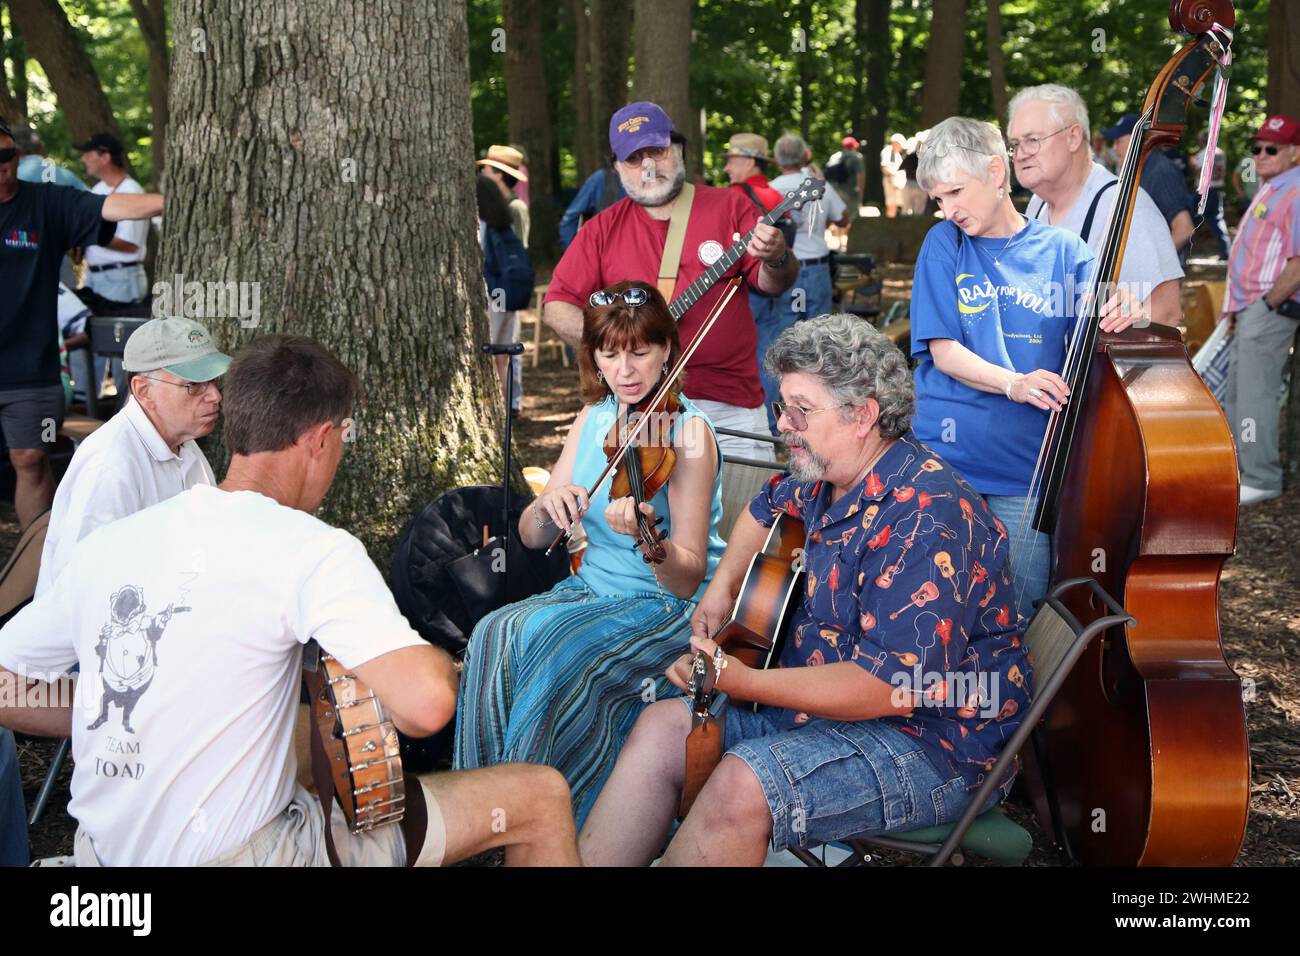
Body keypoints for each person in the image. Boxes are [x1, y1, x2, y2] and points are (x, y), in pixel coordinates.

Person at [0, 334, 580, 866]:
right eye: (343, 438)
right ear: (320, 438)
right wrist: (436, 658)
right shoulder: (313, 549)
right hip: (247, 856)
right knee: (539, 796)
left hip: (102, 858)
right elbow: (427, 706)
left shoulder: (111, 544)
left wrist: (133, 707)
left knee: (307, 738)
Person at [579, 315, 1033, 866]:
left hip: (931, 744)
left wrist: (743, 679)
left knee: (742, 785)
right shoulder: (822, 474)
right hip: (825, 710)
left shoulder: (929, 517)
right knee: (662, 727)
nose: (784, 425)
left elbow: (889, 687)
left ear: (864, 414)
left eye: (802, 410)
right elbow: (764, 506)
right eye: (781, 407)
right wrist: (719, 591)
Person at [455, 280, 726, 828]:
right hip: (589, 591)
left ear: (668, 349)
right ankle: (484, 817)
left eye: (640, 351)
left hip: (664, 609)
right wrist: (546, 505)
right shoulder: (593, 418)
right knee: (493, 632)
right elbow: (533, 539)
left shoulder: (689, 432)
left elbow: (687, 573)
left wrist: (651, 543)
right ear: (595, 357)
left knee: (552, 652)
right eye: (610, 353)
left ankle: (544, 827)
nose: (625, 370)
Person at [909, 117, 1144, 607]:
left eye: (955, 192)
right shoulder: (944, 244)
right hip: (948, 462)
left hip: (1029, 470)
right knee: (937, 605)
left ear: (997, 171)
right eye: (938, 200)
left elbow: (1104, 317)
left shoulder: (1063, 251)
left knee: (1018, 613)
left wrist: (1127, 307)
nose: (948, 209)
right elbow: (943, 351)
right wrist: (1014, 383)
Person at [543, 102, 797, 461]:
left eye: (657, 151)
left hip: (729, 404)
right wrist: (617, 351)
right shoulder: (601, 228)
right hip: (640, 410)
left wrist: (777, 256)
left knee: (744, 514)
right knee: (643, 517)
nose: (648, 166)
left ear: (678, 149)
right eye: (634, 158)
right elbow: (556, 306)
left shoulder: (730, 207)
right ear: (618, 168)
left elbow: (773, 282)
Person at [0, 119, 163, 530]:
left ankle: (37, 569)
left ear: (16, 157)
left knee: (32, 459)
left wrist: (179, 198)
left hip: (30, 367)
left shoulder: (46, 202)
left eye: (5, 154)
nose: (0, 164)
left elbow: (111, 208)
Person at [37, 316, 230, 597]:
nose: (215, 396)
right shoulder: (110, 465)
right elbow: (84, 587)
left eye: (214, 381)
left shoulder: (183, 443)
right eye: (193, 385)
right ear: (143, 390)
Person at [1007, 84, 1185, 328]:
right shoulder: (1036, 207)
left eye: (1032, 140)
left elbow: (1166, 313)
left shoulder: (1126, 209)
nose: (1020, 154)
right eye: (1015, 144)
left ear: (1073, 138)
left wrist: (1130, 320)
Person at [1221, 114, 1300, 506]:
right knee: (1236, 396)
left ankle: (1262, 477)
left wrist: (1269, 304)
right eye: (1257, 148)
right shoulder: (1273, 187)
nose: (1262, 155)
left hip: (1268, 310)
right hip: (1249, 308)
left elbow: (1298, 261)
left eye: (1273, 148)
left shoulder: (1297, 189)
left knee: (1256, 398)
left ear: (1294, 153)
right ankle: (1242, 469)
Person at [757, 133, 848, 430]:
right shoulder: (821, 185)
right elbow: (844, 219)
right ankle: (821, 418)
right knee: (820, 345)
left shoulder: (769, 189)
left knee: (781, 345)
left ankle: (776, 422)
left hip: (787, 272)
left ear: (777, 158)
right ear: (805, 155)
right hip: (818, 270)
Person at [477, 145, 531, 413]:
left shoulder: (511, 209)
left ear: (498, 174)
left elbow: (517, 252)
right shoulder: (497, 208)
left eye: (486, 169)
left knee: (504, 350)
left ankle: (509, 405)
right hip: (503, 289)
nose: (482, 172)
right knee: (503, 350)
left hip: (502, 288)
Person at [1103, 113, 1196, 257]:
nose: (1114, 148)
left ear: (1138, 140)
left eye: (1118, 141)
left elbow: (1184, 230)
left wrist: (1150, 266)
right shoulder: (1144, 169)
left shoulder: (1160, 172)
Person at [76, 133, 150, 308]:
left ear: (105, 157)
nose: (83, 159)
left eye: (88, 154)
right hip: (95, 276)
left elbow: (130, 245)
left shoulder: (131, 191)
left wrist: (89, 233)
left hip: (121, 278)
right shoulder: (98, 189)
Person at [1190, 130, 1231, 259]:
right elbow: (1223, 171)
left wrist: (1192, 163)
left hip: (1203, 190)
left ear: (1202, 140)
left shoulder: (1204, 153)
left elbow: (1199, 172)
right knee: (1216, 220)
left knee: (1192, 220)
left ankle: (1185, 249)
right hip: (1216, 189)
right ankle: (1225, 250)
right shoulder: (1220, 153)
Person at [880, 133, 908, 217]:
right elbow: (885, 169)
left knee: (897, 205)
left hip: (897, 183)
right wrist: (897, 176)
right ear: (896, 143)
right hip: (891, 182)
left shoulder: (896, 154)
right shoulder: (888, 151)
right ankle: (890, 226)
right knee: (891, 205)